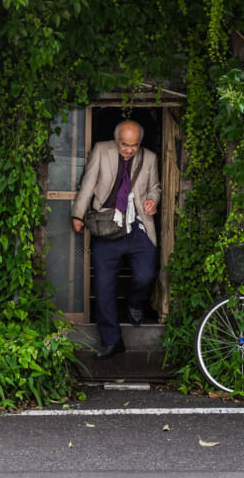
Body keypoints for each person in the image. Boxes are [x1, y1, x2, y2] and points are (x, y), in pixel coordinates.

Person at [70, 119, 161, 358]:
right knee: (103, 286)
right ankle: (112, 341)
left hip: (137, 225)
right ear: (116, 140)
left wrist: (153, 200)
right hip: (107, 225)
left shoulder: (149, 158)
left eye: (134, 145)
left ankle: (134, 302)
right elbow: (88, 182)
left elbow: (155, 188)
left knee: (146, 274)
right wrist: (78, 214)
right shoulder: (102, 150)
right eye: (124, 145)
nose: (129, 150)